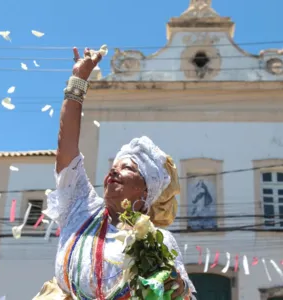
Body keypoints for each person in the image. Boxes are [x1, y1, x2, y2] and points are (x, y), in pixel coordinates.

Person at [32, 47, 196, 300]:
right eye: (114, 166)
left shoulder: (160, 240)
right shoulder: (80, 207)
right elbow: (66, 150)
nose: (114, 171)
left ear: (146, 190)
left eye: (128, 167)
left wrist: (177, 288)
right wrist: (78, 80)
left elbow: (179, 293)